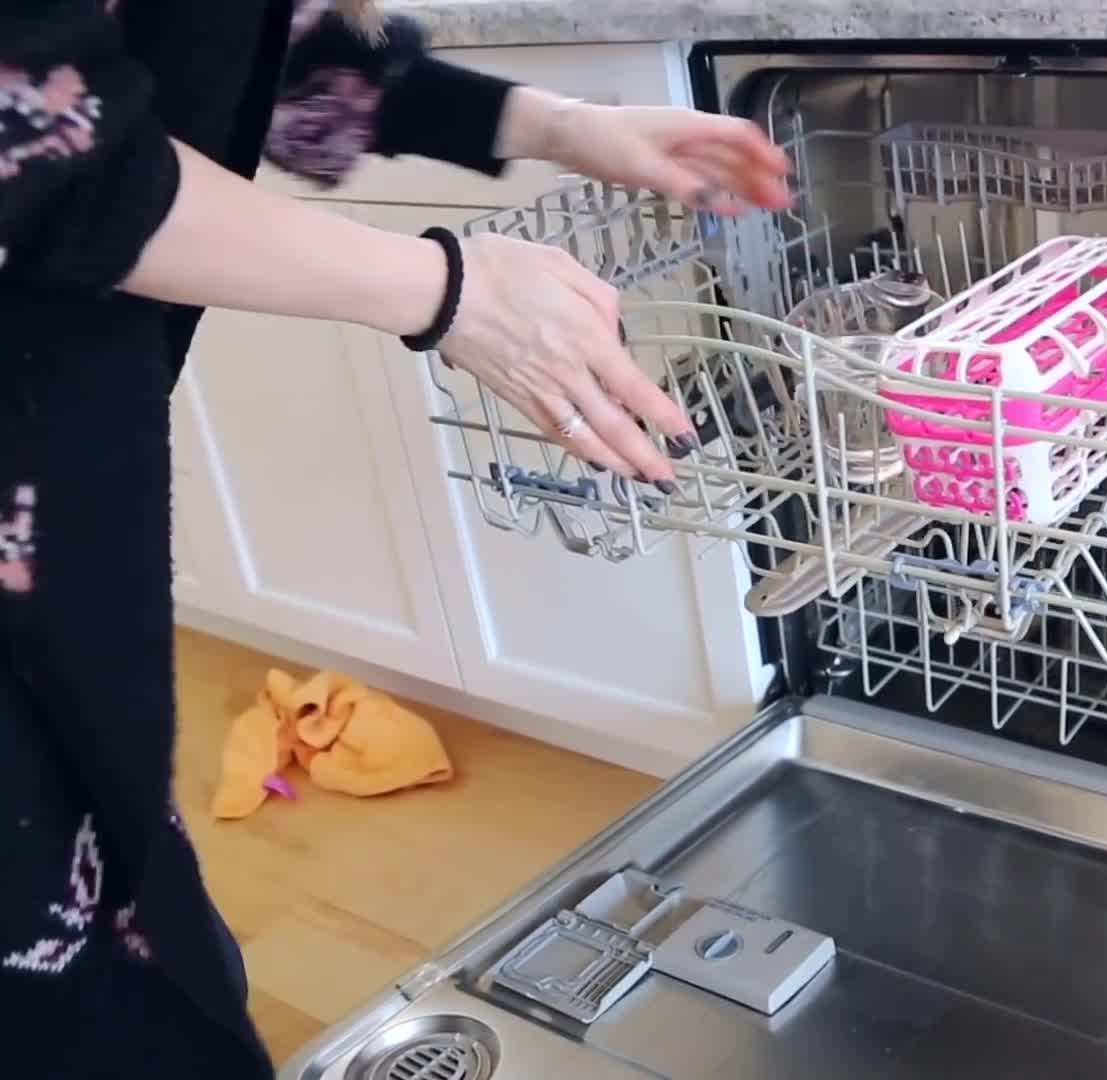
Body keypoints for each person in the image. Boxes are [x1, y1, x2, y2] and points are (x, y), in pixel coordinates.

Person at [0, 0, 790, 1074]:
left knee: (149, 961)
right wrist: (445, 290)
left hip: (65, 485)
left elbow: (249, 56)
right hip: (35, 479)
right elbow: (45, 147)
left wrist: (566, 126)